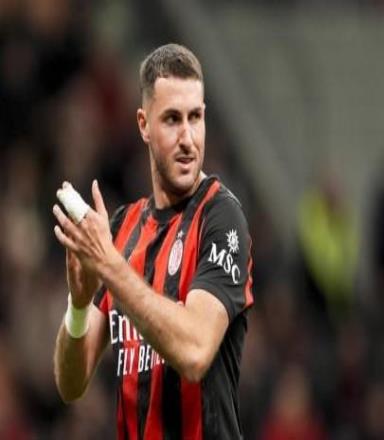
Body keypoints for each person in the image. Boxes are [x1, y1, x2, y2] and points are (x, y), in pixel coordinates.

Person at [52, 43, 254, 440]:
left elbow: (195, 353)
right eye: (172, 119)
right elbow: (70, 384)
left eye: (195, 117)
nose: (188, 138)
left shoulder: (220, 218)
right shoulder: (122, 230)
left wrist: (109, 266)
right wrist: (78, 306)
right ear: (144, 125)